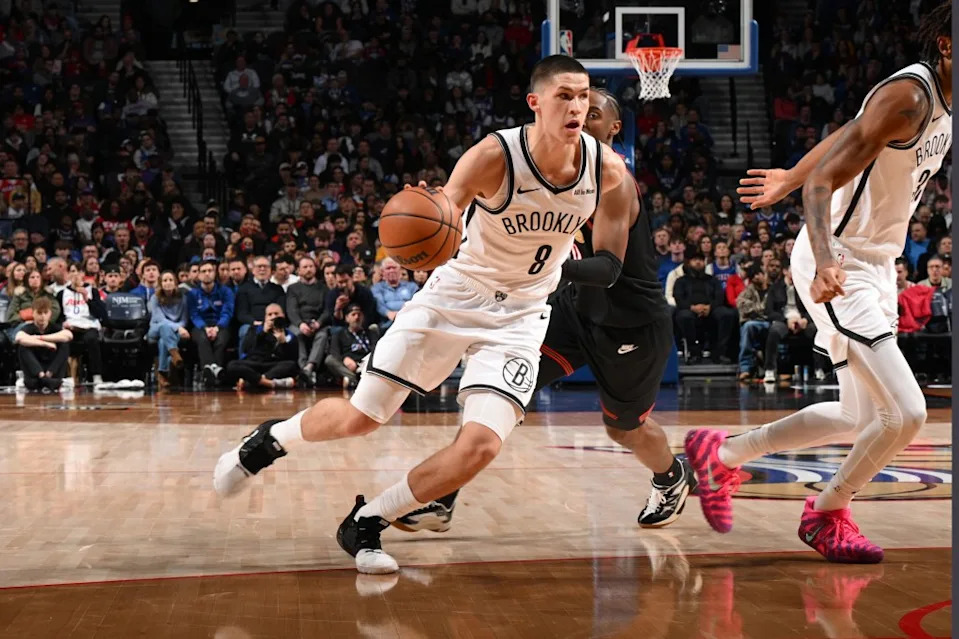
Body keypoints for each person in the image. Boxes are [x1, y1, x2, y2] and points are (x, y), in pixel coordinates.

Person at [212, 55, 633, 574]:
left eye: (584, 95)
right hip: (456, 295)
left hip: (522, 315)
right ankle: (268, 440)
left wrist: (566, 263)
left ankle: (367, 521)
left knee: (480, 447)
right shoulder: (494, 156)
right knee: (362, 418)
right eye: (564, 95)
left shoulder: (608, 171)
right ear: (536, 102)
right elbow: (445, 213)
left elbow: (610, 263)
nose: (576, 106)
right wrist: (420, 233)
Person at [693, 5, 951, 563]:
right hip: (839, 261)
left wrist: (790, 172)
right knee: (906, 414)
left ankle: (722, 456)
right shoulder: (911, 96)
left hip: (877, 265)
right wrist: (826, 249)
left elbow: (850, 135)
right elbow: (826, 183)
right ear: (948, 48)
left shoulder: (937, 104)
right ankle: (828, 511)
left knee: (858, 415)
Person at [395, 88, 695, 534]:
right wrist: (438, 206)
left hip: (630, 324)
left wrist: (546, 265)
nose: (578, 117)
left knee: (624, 430)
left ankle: (672, 477)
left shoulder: (617, 182)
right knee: (499, 392)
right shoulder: (552, 175)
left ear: (614, 128)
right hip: (573, 312)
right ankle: (442, 497)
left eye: (592, 114)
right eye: (572, 109)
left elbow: (606, 270)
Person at [674, 251, 737, 363]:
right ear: (689, 263)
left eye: (701, 260)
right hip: (689, 309)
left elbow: (719, 297)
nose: (698, 262)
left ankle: (720, 353)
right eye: (695, 260)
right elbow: (679, 299)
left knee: (727, 314)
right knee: (684, 316)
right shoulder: (681, 281)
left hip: (711, 309)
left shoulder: (712, 280)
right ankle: (694, 353)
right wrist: (692, 307)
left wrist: (709, 307)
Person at [223, 303, 298, 391]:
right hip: (253, 364)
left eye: (276, 314)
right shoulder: (254, 330)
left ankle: (254, 381)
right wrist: (262, 333)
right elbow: (247, 349)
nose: (273, 317)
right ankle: (267, 383)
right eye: (269, 314)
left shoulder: (289, 334)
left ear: (283, 316)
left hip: (272, 365)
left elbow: (292, 358)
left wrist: (283, 343)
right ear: (265, 317)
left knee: (291, 366)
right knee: (231, 365)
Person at [56, 261, 106, 386]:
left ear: (83, 274)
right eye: (73, 271)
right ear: (67, 274)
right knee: (63, 339)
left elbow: (100, 313)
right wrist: (63, 324)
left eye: (79, 271)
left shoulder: (92, 291)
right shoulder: (61, 294)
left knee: (92, 339)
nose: (76, 275)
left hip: (88, 325)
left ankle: (96, 375)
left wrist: (86, 299)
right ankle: (67, 377)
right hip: (70, 326)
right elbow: (58, 317)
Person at [187, 259, 235, 386]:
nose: (207, 273)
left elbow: (227, 312)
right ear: (199, 275)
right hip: (201, 326)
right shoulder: (192, 294)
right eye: (203, 271)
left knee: (221, 339)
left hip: (221, 325)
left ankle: (211, 372)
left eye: (210, 271)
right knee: (202, 339)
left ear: (214, 273)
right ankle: (213, 370)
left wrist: (218, 327)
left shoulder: (225, 291)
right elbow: (194, 315)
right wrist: (205, 328)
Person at [15, 297, 73, 392]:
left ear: (50, 314)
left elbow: (68, 335)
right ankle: (41, 375)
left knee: (64, 344)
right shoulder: (28, 328)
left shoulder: (54, 327)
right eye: (39, 313)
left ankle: (49, 374)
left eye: (45, 313)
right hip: (34, 376)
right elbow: (19, 338)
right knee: (23, 346)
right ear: (33, 313)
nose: (42, 316)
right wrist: (45, 344)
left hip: (53, 375)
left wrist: (40, 338)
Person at [286, 255, 328, 386]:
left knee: (322, 335)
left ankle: (309, 367)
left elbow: (327, 310)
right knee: (297, 334)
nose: (308, 269)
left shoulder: (323, 288)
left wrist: (318, 323)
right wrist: (301, 324)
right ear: (298, 270)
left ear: (315, 269)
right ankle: (303, 368)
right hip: (299, 322)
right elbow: (291, 310)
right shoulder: (293, 288)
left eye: (311, 266)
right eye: (305, 267)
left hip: (318, 323)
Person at [148, 270, 190, 390]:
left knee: (163, 341)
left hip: (172, 333)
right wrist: (178, 328)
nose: (168, 283)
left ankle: (162, 374)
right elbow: (159, 319)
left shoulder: (183, 298)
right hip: (155, 329)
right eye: (165, 280)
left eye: (170, 280)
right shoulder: (155, 298)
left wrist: (179, 327)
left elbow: (184, 319)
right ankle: (174, 354)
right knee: (163, 327)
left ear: (175, 283)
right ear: (160, 284)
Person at [370, 257, 419, 331]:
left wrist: (404, 311)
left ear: (400, 270)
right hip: (387, 325)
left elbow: (416, 303)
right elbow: (379, 305)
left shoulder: (412, 287)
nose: (391, 270)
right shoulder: (377, 288)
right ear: (383, 272)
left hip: (409, 322)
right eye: (388, 268)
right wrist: (388, 313)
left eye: (394, 268)